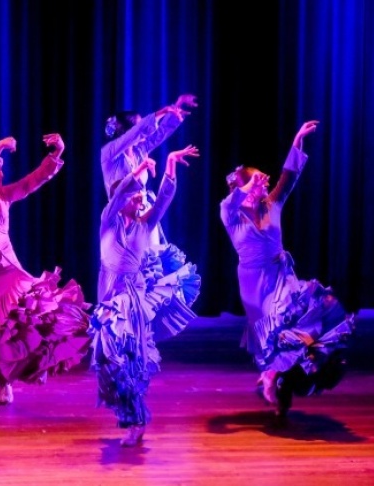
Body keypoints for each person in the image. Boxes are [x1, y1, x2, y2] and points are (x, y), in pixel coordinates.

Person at [219, 120, 355, 424]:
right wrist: (246, 187)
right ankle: (273, 379)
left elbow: (289, 176)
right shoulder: (233, 216)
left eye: (262, 182)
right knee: (272, 334)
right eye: (257, 183)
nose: (263, 186)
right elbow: (228, 204)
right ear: (243, 188)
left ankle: (281, 388)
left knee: (300, 324)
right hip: (254, 283)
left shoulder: (272, 204)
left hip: (281, 276)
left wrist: (297, 140)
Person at [0, 134, 92, 405]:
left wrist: (57, 154)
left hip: (7, 266)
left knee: (27, 313)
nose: (0, 174)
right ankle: (3, 382)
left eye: (0, 171)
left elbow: (32, 181)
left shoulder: (4, 196)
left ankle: (16, 372)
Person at [89, 145, 201, 447]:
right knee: (106, 360)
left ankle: (136, 420)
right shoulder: (108, 220)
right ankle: (129, 413)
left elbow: (163, 198)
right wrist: (137, 173)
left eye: (140, 192)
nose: (140, 197)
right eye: (135, 193)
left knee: (127, 359)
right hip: (109, 294)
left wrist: (171, 165)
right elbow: (118, 195)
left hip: (132, 299)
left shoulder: (144, 224)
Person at [101, 93, 198, 246]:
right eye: (140, 127)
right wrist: (162, 112)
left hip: (144, 214)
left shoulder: (139, 151)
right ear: (128, 131)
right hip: (122, 219)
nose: (146, 132)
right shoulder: (109, 155)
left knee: (152, 256)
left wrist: (177, 106)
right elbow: (136, 133)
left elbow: (161, 133)